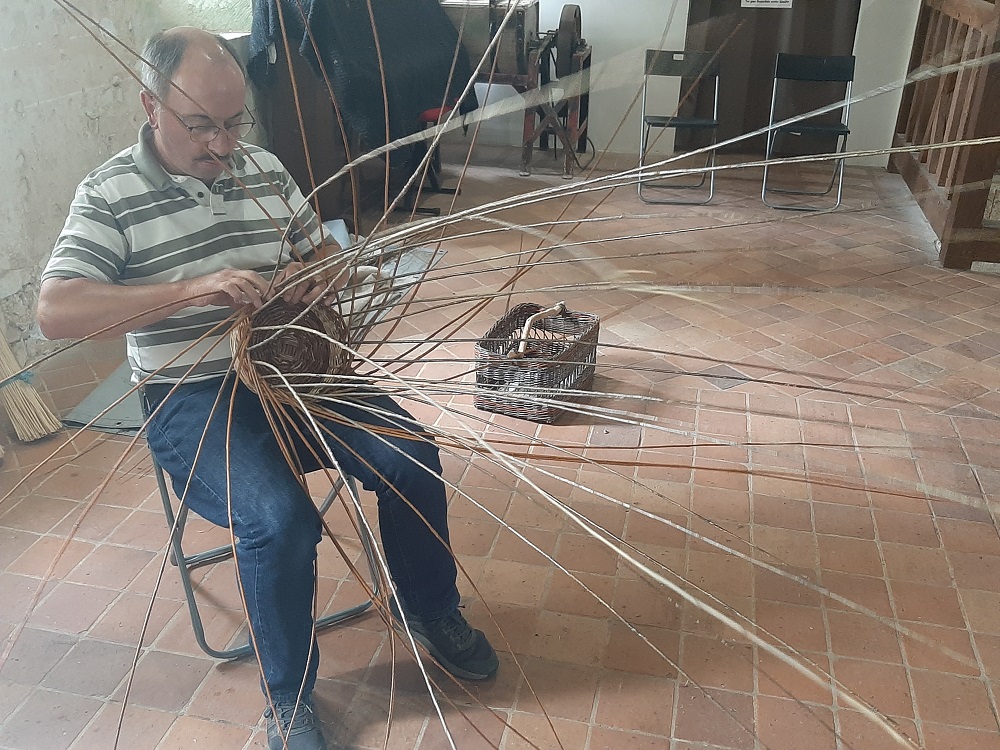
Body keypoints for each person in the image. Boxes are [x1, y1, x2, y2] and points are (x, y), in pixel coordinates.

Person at [37, 26, 497, 750]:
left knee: (410, 450)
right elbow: (55, 310)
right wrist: (190, 291)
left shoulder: (262, 167)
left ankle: (433, 607)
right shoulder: (110, 194)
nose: (221, 146)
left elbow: (318, 246)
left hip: (295, 370)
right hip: (194, 395)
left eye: (232, 123)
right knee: (281, 518)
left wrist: (321, 269)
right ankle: (288, 700)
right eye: (200, 127)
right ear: (149, 106)